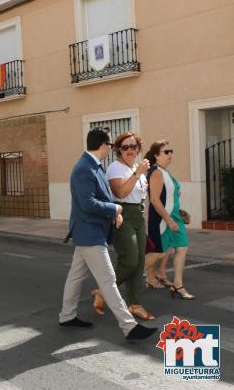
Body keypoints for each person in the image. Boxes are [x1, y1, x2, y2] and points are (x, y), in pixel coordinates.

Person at [59, 128, 156, 342]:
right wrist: (115, 210)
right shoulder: (85, 168)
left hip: (90, 230)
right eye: (111, 145)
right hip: (89, 232)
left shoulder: (93, 166)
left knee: (75, 276)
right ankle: (129, 327)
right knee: (108, 279)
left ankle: (67, 316)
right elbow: (87, 203)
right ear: (103, 145)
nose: (112, 149)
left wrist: (113, 212)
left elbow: (99, 197)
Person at [90, 132, 154, 321]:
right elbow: (121, 192)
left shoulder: (137, 167)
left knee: (140, 261)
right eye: (124, 147)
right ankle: (104, 291)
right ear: (118, 149)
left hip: (138, 215)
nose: (129, 150)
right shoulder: (115, 168)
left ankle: (135, 304)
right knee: (130, 260)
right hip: (122, 214)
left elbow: (142, 196)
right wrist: (138, 174)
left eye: (133, 147)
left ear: (138, 149)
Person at [145, 141, 195, 300]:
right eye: (166, 152)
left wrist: (177, 213)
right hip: (163, 220)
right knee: (158, 254)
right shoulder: (156, 172)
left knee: (182, 248)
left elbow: (168, 197)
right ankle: (120, 278)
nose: (170, 154)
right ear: (156, 155)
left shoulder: (165, 172)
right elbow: (154, 200)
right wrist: (169, 220)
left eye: (171, 151)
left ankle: (178, 285)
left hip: (174, 218)